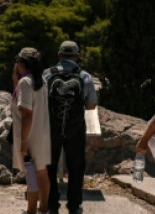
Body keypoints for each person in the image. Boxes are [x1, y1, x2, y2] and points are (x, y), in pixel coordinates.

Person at [44, 41, 99, 214]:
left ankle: (52, 204)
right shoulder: (85, 76)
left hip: (51, 127)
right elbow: (91, 106)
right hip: (75, 128)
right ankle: (74, 205)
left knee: (49, 165)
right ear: (77, 57)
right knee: (76, 166)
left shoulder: (47, 74)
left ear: (59, 55)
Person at [11, 48, 51, 214]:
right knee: (42, 173)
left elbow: (26, 114)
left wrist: (23, 142)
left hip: (30, 134)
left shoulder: (25, 82)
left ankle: (31, 210)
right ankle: (43, 209)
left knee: (31, 174)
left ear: (21, 63)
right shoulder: (41, 80)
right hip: (42, 133)